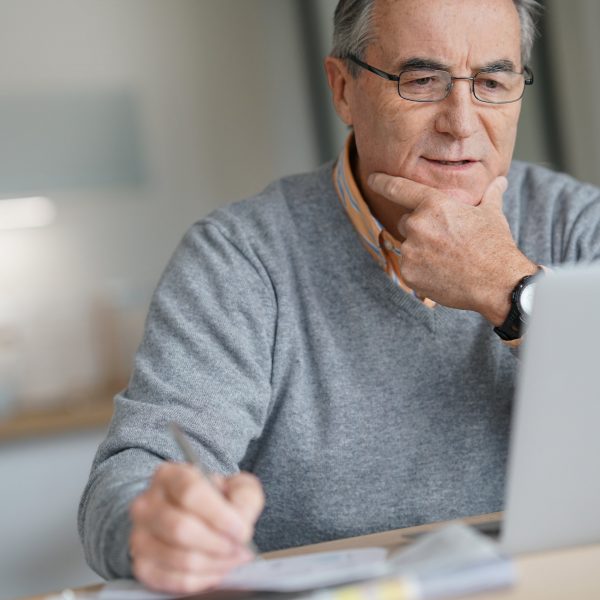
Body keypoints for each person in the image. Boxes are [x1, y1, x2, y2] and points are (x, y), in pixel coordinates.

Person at [79, 0, 600, 594]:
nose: (461, 122)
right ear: (343, 88)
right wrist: (155, 526)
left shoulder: (578, 225)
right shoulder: (240, 257)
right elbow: (132, 475)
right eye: (422, 80)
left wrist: (508, 289)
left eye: (492, 81)